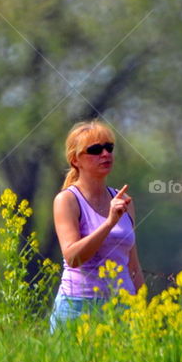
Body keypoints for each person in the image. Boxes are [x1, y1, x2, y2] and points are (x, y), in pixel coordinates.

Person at [49, 120, 142, 332]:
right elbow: (73, 257)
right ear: (75, 160)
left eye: (109, 148)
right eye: (95, 150)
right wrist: (109, 223)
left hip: (123, 307)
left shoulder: (124, 200)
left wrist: (145, 311)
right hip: (78, 306)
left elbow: (133, 265)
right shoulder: (67, 200)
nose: (105, 154)